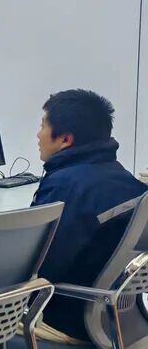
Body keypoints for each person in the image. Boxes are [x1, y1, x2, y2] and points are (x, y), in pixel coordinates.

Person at [30, 89, 147, 342]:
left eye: (42, 126)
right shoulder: (122, 177)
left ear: (65, 139)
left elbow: (39, 267)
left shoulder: (66, 187)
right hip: (117, 317)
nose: (38, 135)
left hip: (65, 319)